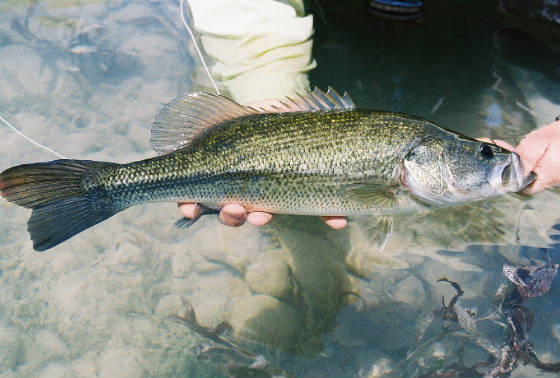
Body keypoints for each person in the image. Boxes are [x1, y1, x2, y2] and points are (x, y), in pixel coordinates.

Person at [178, 115, 560, 229]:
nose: (491, 159)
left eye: (485, 154)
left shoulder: (410, 148)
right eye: (482, 153)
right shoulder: (398, 182)